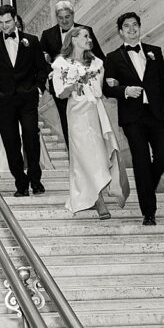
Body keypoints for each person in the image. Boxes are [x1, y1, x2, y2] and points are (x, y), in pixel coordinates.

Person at [102, 12, 164, 226]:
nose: (132, 29)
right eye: (127, 26)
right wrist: (125, 90)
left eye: (135, 25)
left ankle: (146, 187)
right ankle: (149, 212)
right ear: (120, 31)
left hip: (156, 114)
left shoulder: (155, 52)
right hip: (133, 118)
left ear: (139, 28)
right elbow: (107, 88)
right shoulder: (113, 58)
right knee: (141, 162)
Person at [51, 27, 128, 219]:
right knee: (84, 154)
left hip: (95, 111)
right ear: (73, 39)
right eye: (85, 36)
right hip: (76, 114)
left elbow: (99, 90)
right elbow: (60, 92)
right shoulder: (60, 63)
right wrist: (72, 85)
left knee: (99, 154)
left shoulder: (96, 62)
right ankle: (97, 199)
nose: (89, 39)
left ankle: (97, 191)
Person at [0, 4, 46, 197]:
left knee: (31, 137)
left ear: (15, 19)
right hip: (3, 100)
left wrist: (39, 88)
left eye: (7, 22)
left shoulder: (31, 41)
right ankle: (21, 183)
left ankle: (36, 179)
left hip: (28, 99)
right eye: (0, 23)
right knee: (11, 142)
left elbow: (41, 68)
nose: (4, 26)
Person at [39, 0, 106, 150]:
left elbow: (99, 57)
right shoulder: (47, 35)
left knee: (89, 124)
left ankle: (92, 155)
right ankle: (74, 158)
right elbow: (40, 61)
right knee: (67, 122)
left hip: (86, 89)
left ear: (73, 15)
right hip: (62, 90)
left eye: (67, 17)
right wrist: (51, 75)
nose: (64, 20)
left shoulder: (86, 31)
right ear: (56, 17)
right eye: (60, 17)